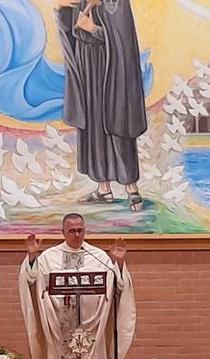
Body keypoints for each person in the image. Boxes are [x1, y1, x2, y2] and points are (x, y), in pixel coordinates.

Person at [55, 0, 148, 211]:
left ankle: (132, 189)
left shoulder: (117, 3)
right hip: (86, 67)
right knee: (93, 125)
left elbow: (122, 39)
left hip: (111, 68)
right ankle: (103, 188)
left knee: (117, 122)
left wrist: (93, 29)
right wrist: (61, 10)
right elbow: (72, 28)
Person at [18, 213, 136, 359]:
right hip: (59, 327)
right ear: (63, 232)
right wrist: (32, 257)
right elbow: (32, 281)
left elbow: (118, 286)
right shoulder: (48, 257)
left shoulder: (99, 256)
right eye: (72, 231)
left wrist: (119, 263)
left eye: (80, 230)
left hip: (92, 328)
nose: (77, 235)